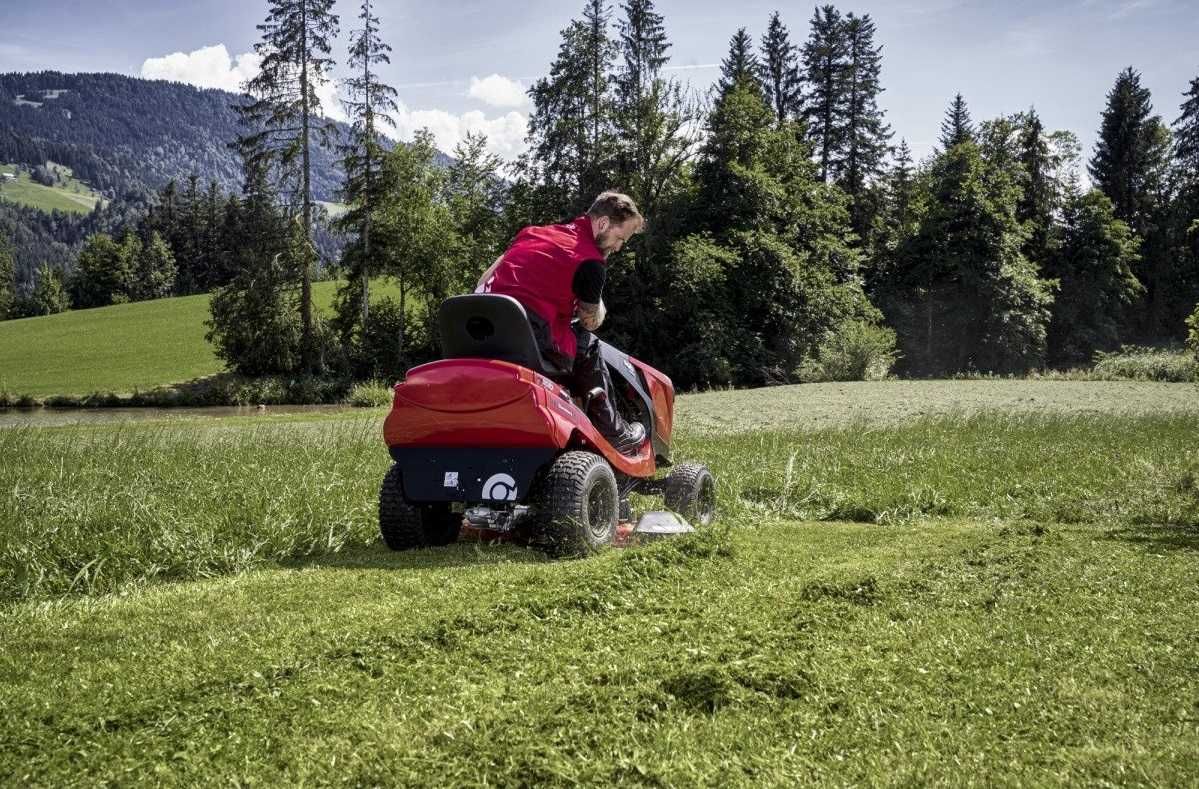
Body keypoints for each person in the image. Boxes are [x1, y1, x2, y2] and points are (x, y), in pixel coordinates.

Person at [475, 191, 647, 455]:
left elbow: (482, 283)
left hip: (477, 333)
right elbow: (590, 322)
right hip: (527, 343)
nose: (618, 247)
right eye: (619, 238)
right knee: (588, 344)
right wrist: (599, 304)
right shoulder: (590, 262)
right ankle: (615, 434)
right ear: (602, 224)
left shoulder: (532, 233)